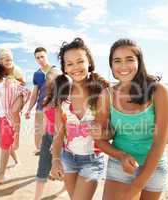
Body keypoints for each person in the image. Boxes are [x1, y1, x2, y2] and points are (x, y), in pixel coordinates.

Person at [90, 39, 168, 200]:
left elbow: (160, 142)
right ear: (111, 66)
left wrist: (137, 185)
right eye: (117, 61)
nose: (123, 66)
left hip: (154, 167)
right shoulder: (106, 95)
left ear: (139, 62)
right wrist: (121, 156)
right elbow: (99, 139)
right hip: (119, 166)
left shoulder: (159, 91)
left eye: (129, 59)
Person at [50, 38, 109, 199]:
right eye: (69, 64)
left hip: (93, 159)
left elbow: (110, 131)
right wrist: (55, 159)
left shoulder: (101, 92)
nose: (75, 67)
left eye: (79, 61)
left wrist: (102, 132)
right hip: (67, 158)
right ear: (64, 68)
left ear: (89, 62)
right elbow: (59, 133)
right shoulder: (62, 95)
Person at [34, 68, 66, 200]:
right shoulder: (46, 99)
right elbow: (46, 120)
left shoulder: (66, 100)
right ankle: (36, 198)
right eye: (49, 79)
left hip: (64, 139)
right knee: (43, 166)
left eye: (56, 79)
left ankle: (65, 189)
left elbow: (65, 124)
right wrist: (43, 137)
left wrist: (57, 142)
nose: (52, 82)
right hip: (48, 136)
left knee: (66, 168)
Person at [25, 47, 54, 155]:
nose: (40, 59)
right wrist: (28, 109)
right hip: (40, 107)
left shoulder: (56, 71)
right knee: (38, 133)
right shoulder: (37, 74)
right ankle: (41, 153)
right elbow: (34, 94)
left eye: (42, 56)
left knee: (52, 133)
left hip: (53, 107)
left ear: (46, 56)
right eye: (37, 58)